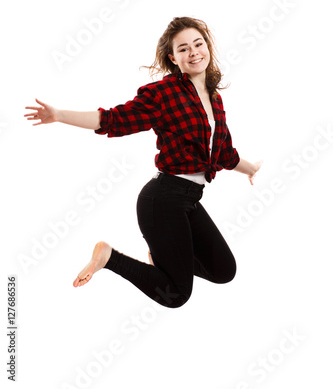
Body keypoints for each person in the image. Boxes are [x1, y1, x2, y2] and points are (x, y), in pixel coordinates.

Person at [24, 16, 263, 309]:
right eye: (184, 48)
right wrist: (59, 115)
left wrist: (249, 168)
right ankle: (109, 257)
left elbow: (223, 153)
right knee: (176, 295)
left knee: (224, 271)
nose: (194, 52)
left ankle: (163, 258)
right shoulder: (164, 94)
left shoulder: (213, 98)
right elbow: (113, 119)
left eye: (198, 44)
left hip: (188, 200)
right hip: (162, 200)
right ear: (173, 58)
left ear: (208, 47)